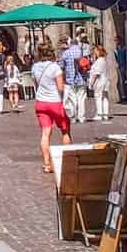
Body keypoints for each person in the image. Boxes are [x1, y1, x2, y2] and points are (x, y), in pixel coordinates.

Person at [30, 40, 70, 172]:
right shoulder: (55, 67)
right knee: (65, 131)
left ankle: (47, 164)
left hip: (41, 103)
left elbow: (35, 84)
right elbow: (60, 87)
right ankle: (66, 161)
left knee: (45, 133)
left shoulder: (35, 67)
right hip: (55, 102)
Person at [59, 35, 90, 123]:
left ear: (69, 44)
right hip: (82, 78)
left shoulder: (66, 53)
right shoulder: (82, 51)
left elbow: (61, 66)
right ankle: (81, 117)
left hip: (70, 80)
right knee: (81, 98)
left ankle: (73, 116)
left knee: (72, 99)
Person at [88, 44, 112, 122]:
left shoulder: (99, 61)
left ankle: (99, 114)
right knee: (105, 98)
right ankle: (105, 114)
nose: (94, 53)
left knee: (98, 97)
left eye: (95, 51)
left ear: (98, 51)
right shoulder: (103, 60)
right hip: (105, 80)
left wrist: (91, 82)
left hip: (99, 81)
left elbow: (96, 73)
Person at [114, 35, 127, 106]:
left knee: (126, 81)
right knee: (121, 82)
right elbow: (117, 58)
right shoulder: (116, 49)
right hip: (120, 66)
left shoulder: (124, 48)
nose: (116, 42)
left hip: (125, 66)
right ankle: (123, 96)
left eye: (117, 40)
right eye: (115, 40)